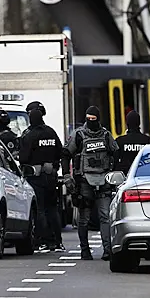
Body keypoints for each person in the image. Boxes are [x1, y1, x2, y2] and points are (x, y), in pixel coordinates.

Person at [61, 106, 119, 261]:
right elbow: (65, 154)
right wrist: (67, 176)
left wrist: (114, 175)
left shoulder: (106, 135)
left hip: (104, 181)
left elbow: (116, 154)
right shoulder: (78, 135)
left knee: (105, 216)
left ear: (98, 119)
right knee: (84, 218)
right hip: (84, 182)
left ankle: (107, 250)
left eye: (94, 119)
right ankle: (84, 250)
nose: (91, 122)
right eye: (89, 118)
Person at [19, 109, 64, 252]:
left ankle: (43, 242)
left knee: (39, 210)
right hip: (51, 176)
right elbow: (60, 151)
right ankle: (57, 242)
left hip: (35, 176)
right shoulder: (51, 132)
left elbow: (23, 158)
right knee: (52, 209)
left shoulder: (29, 135)